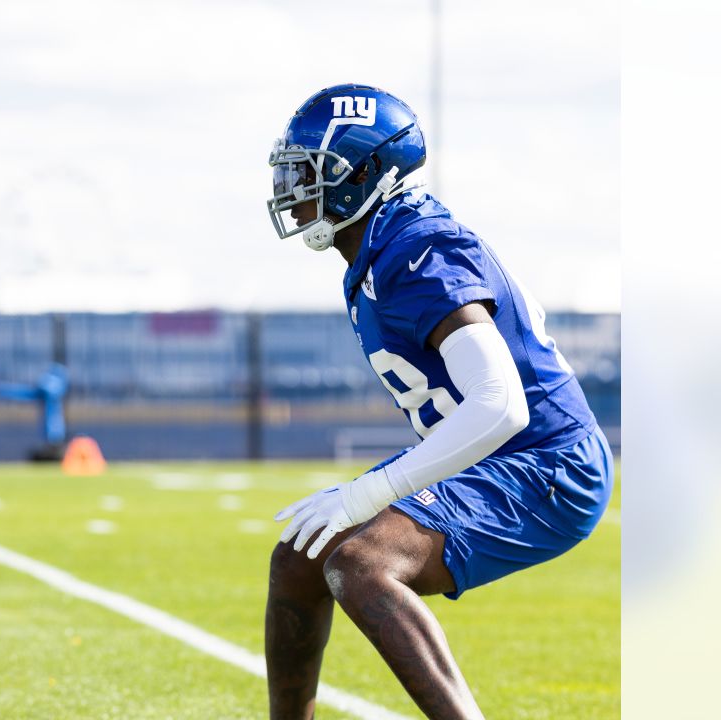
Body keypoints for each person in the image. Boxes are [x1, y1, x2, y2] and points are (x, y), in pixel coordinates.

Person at [262, 83, 612, 720]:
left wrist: (368, 493)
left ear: (364, 174)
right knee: (302, 555)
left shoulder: (416, 250)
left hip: (547, 462)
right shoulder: (381, 246)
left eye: (312, 173)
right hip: (498, 453)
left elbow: (500, 402)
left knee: (363, 563)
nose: (296, 190)